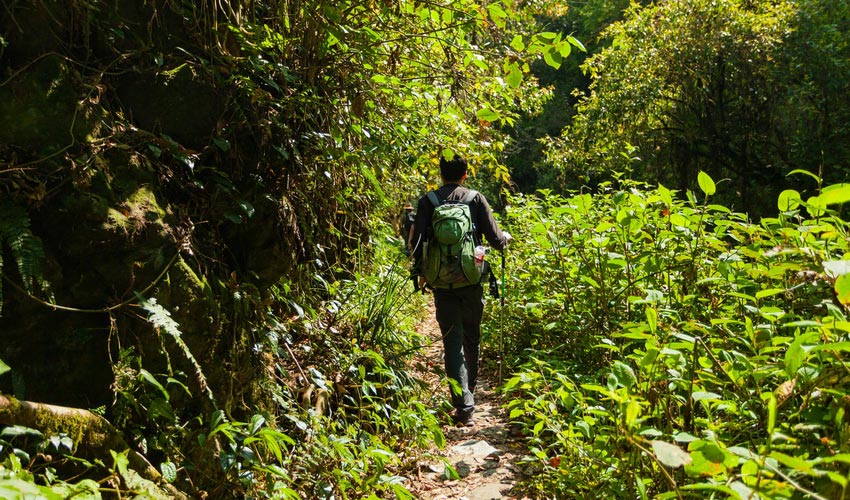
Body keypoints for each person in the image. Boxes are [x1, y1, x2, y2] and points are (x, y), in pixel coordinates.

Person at [410, 156, 511, 427]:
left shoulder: (428, 201)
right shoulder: (476, 199)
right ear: (465, 174)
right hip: (471, 279)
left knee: (451, 341)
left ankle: (463, 403)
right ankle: (470, 393)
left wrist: (419, 272)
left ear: (441, 174)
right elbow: (495, 239)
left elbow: (417, 242)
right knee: (471, 336)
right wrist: (505, 240)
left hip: (441, 282)